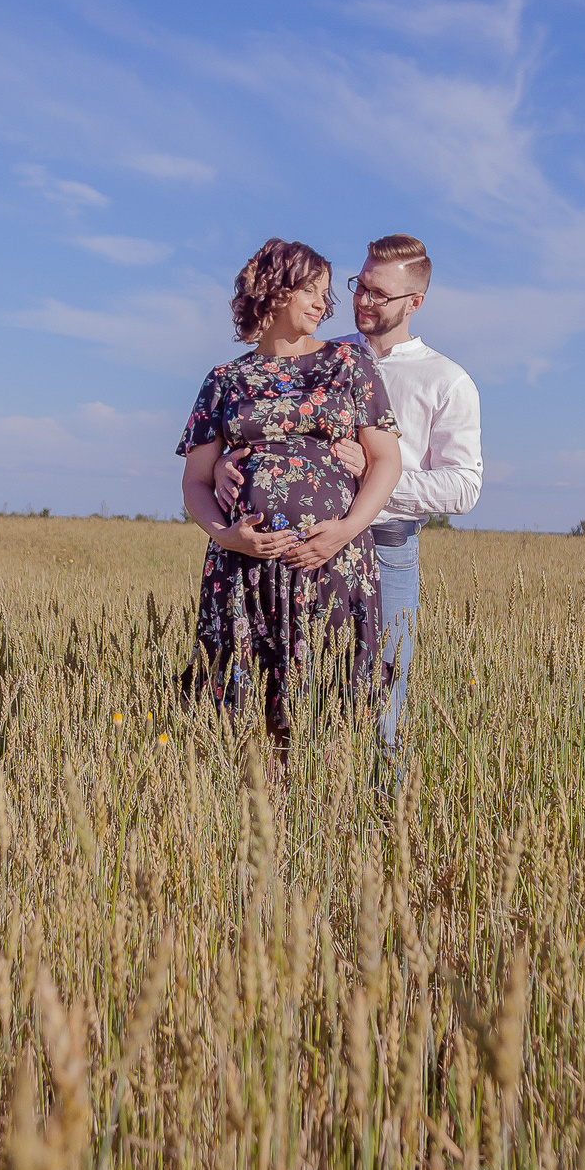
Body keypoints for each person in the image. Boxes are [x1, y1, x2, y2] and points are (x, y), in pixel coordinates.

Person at [217, 233, 482, 783]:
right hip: (292, 556)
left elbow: (463, 488)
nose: (361, 300)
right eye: (359, 286)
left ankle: (378, 825)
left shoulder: (446, 380)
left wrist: (375, 481)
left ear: (415, 303)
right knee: (292, 693)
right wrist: (227, 467)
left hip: (383, 549)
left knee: (375, 704)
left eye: (378, 294)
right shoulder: (326, 355)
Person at [178, 238, 402, 775]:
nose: (325, 306)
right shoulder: (225, 380)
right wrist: (228, 536)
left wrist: (345, 530)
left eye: (328, 295)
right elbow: (193, 483)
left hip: (331, 562)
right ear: (274, 291)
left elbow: (386, 462)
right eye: (312, 291)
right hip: (243, 569)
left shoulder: (349, 364)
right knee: (248, 722)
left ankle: (331, 822)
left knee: (331, 705)